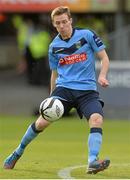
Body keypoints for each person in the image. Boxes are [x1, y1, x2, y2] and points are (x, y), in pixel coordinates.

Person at [3, 6, 110, 174]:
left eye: (65, 22)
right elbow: (54, 73)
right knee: (41, 123)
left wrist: (102, 76)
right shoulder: (54, 46)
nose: (62, 25)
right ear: (54, 24)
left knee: (96, 119)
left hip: (87, 91)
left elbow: (104, 57)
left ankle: (92, 161)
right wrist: (51, 97)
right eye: (58, 23)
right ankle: (17, 152)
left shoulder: (87, 35)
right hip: (64, 90)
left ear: (70, 21)